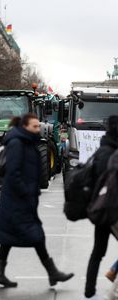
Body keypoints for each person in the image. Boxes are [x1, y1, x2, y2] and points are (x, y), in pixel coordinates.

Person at [0, 113, 74, 289]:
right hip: (17, 200)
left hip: (19, 200)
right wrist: (27, 192)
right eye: (35, 126)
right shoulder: (17, 143)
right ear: (25, 127)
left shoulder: (28, 142)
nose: (39, 129)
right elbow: (13, 173)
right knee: (36, 236)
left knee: (9, 238)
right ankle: (53, 273)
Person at [84, 115, 118, 300]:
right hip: (110, 209)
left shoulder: (104, 149)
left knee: (98, 251)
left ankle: (90, 291)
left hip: (101, 207)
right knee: (98, 251)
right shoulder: (109, 152)